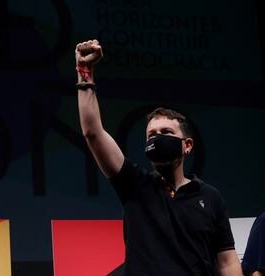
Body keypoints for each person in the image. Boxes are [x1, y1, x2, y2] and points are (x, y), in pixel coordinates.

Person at [75, 39, 242, 275]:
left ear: (187, 145)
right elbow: (92, 132)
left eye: (166, 132)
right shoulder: (134, 185)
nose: (158, 138)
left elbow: (227, 261)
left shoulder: (210, 197)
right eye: (151, 134)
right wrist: (85, 73)